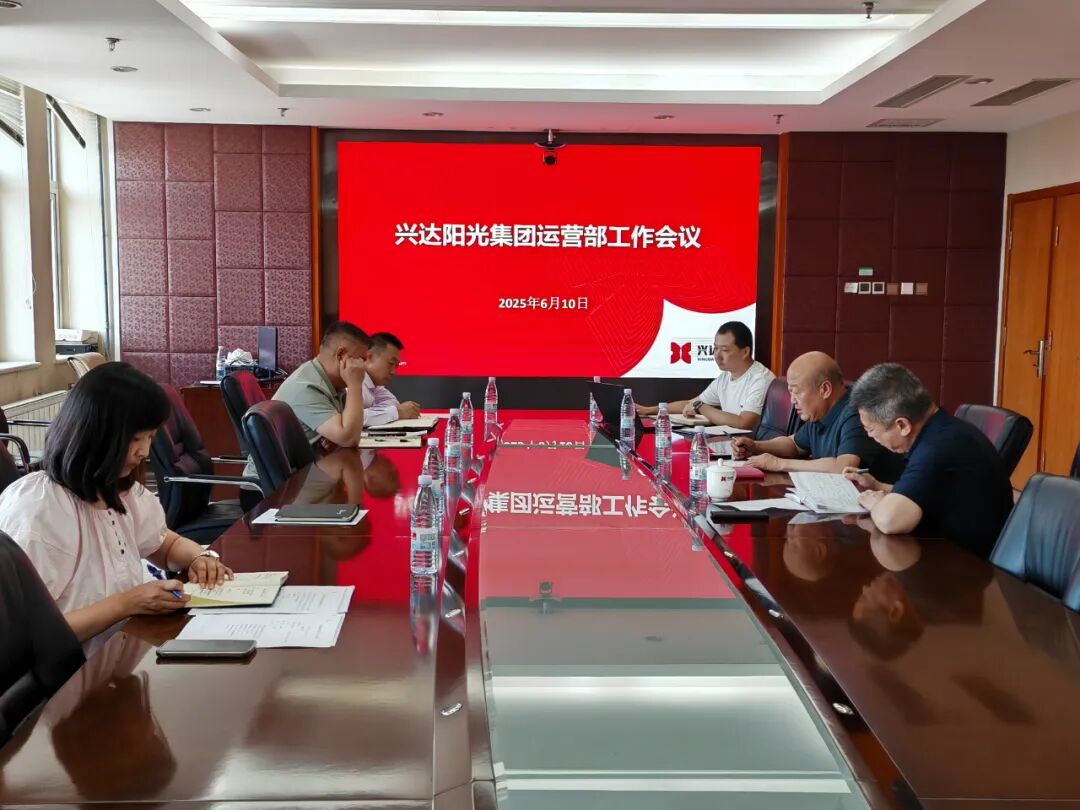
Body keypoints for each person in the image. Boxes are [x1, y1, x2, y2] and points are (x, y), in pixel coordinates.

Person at [0, 363, 232, 645]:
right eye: (135, 438)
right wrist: (127, 603)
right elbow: (27, 635)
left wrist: (198, 557)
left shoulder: (119, 491)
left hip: (121, 649)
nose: (144, 451)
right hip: (72, 668)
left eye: (151, 437)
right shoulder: (39, 510)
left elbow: (164, 544)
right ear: (94, 433)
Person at [842, 362, 1014, 558]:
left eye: (871, 430)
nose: (870, 436)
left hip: (966, 563)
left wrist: (876, 503)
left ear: (902, 425)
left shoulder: (935, 449)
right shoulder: (941, 429)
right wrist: (878, 486)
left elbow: (891, 521)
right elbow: (926, 492)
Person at [731, 351, 905, 482]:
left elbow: (844, 467)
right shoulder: (820, 412)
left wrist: (779, 464)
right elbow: (794, 444)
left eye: (796, 392)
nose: (792, 400)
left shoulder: (857, 413)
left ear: (825, 390)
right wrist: (756, 446)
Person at [636, 321, 774, 432]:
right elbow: (689, 403)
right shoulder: (725, 377)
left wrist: (700, 406)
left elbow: (744, 423)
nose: (717, 355)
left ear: (745, 352)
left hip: (752, 451)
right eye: (715, 348)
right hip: (731, 445)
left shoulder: (760, 379)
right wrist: (648, 410)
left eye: (725, 350)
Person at [273, 320, 370, 452]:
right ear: (340, 355)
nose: (363, 367)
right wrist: (355, 385)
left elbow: (348, 430)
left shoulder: (332, 383)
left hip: (313, 462)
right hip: (294, 466)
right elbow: (349, 439)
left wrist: (337, 434)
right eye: (361, 360)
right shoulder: (306, 386)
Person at [363, 332, 421, 426]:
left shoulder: (375, 385)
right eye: (390, 363)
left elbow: (393, 403)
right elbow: (350, 419)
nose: (394, 372)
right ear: (369, 357)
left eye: (396, 366)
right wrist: (397, 412)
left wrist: (373, 413)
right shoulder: (352, 382)